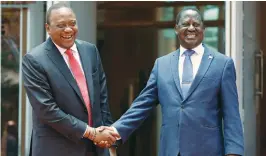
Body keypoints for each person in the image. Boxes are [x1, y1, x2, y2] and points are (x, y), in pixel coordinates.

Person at [97, 7, 244, 156]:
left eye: (196, 24)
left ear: (204, 29)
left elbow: (232, 114)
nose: (191, 28)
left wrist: (234, 152)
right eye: (186, 24)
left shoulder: (222, 64)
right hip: (171, 150)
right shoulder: (162, 65)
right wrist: (115, 131)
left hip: (208, 150)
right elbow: (141, 105)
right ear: (176, 29)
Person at [22, 2, 119, 156]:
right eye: (61, 25)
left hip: (95, 149)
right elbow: (46, 110)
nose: (68, 29)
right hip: (57, 149)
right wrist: (90, 132)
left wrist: (109, 140)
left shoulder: (90, 51)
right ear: (48, 28)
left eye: (72, 23)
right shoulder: (34, 60)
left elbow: (102, 98)